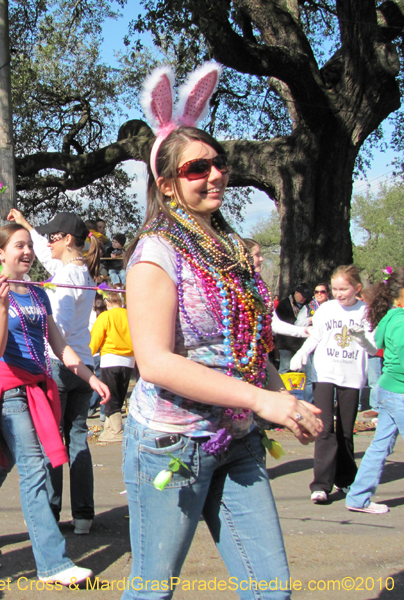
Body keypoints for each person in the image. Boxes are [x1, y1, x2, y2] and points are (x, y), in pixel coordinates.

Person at [121, 62, 322, 600]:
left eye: (218, 163)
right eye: (195, 169)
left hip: (238, 437)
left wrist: (285, 399)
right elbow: (156, 363)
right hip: (171, 445)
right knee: (152, 590)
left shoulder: (232, 251)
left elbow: (246, 346)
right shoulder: (154, 254)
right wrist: (262, 399)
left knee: (270, 590)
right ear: (165, 184)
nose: (214, 174)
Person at [0, 223, 109, 586]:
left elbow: (59, 346)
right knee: (34, 468)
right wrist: (4, 305)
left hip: (39, 387)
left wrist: (91, 377)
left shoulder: (39, 294)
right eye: (18, 246)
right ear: (0, 254)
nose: (27, 252)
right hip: (8, 389)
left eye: (29, 246)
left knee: (3, 460)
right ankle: (53, 563)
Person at [7, 208, 103, 534]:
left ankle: (50, 510)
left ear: (67, 240)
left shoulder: (64, 278)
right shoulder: (81, 272)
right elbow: (51, 262)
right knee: (78, 439)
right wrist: (24, 224)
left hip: (61, 365)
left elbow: (56, 331)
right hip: (84, 366)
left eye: (51, 238)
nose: (44, 244)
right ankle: (84, 516)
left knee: (52, 441)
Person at [291, 265, 376, 503]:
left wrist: (361, 338)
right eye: (335, 289)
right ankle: (321, 484)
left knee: (345, 430)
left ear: (357, 288)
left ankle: (347, 479)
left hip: (351, 375)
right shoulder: (326, 309)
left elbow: (372, 348)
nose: (338, 294)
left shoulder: (365, 311)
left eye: (344, 289)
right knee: (324, 428)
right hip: (325, 373)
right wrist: (303, 352)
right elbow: (316, 336)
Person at [344, 267, 404, 514]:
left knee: (380, 445)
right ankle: (358, 497)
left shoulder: (389, 317)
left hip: (389, 392)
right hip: (398, 393)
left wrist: (361, 339)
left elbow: (373, 348)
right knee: (380, 445)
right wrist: (360, 339)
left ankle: (357, 497)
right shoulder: (396, 319)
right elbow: (378, 351)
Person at [89, 290, 133, 442]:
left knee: (110, 396)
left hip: (110, 359)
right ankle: (109, 428)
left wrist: (88, 354)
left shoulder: (105, 316)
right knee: (119, 394)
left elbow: (95, 338)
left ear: (108, 303)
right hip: (129, 360)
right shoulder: (130, 315)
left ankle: (116, 430)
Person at [274, 283, 312, 373]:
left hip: (300, 343)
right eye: (302, 296)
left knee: (301, 369)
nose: (304, 299)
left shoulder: (307, 306)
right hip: (285, 343)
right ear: (296, 293)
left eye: (306, 297)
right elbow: (280, 323)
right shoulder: (284, 304)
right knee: (285, 367)